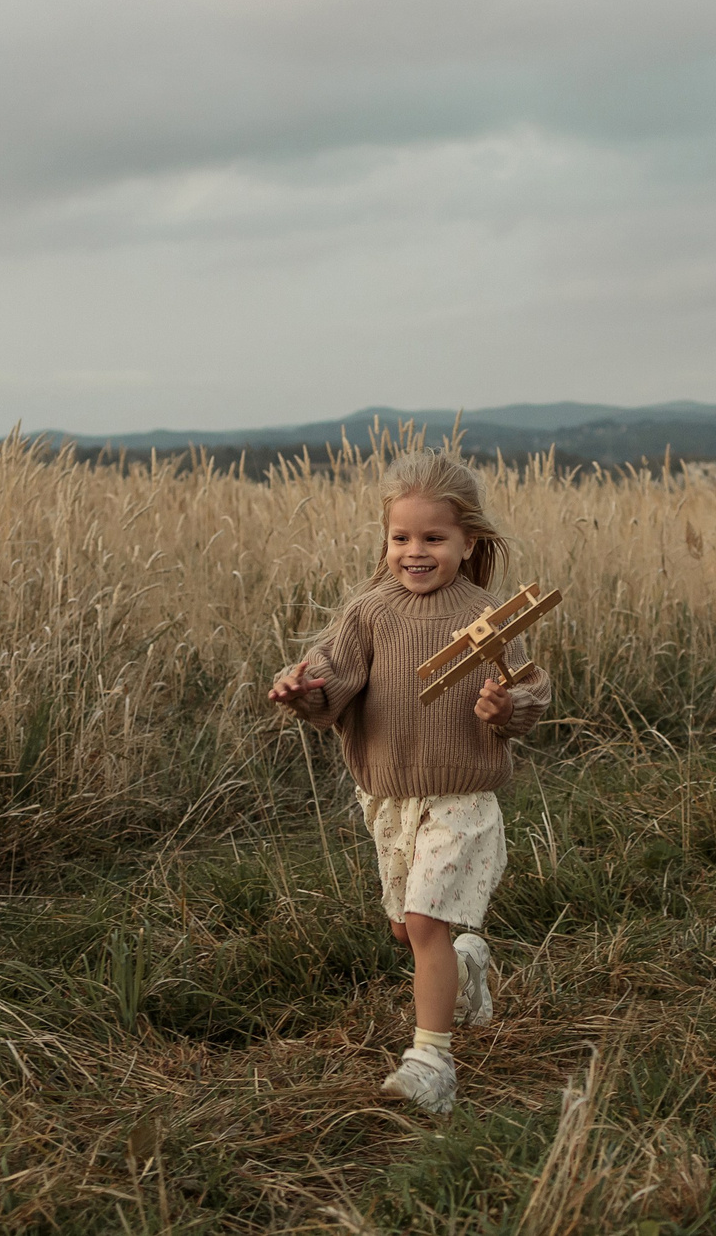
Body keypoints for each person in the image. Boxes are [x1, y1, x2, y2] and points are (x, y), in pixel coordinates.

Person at [268, 451, 553, 1116]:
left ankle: (432, 1063)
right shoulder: (371, 612)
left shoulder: (489, 612)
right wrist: (301, 691)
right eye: (401, 538)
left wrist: (506, 709)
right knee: (408, 931)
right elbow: (331, 681)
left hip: (461, 797)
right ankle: (467, 966)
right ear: (386, 540)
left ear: (468, 541)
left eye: (433, 538)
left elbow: (528, 686)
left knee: (423, 921)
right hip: (390, 799)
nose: (414, 552)